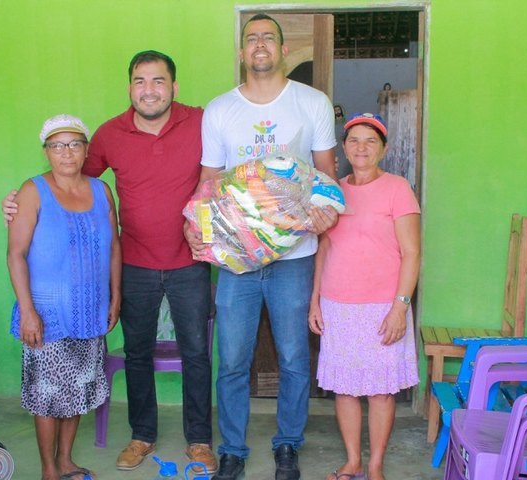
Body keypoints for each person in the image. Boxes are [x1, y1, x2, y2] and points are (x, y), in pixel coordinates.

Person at [3, 51, 217, 475]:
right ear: (129, 88)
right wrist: (19, 200)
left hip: (190, 261)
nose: (149, 89)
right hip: (134, 263)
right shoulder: (107, 134)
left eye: (158, 81)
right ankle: (142, 435)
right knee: (137, 354)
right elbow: (73, 177)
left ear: (174, 87)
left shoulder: (202, 122)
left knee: (197, 353)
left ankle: (199, 440)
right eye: (140, 81)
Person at [186, 13, 338, 480]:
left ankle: (287, 445)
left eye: (268, 38)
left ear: (283, 50)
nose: (259, 46)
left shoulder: (311, 103)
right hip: (237, 259)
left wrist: (325, 211)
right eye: (251, 39)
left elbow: (328, 179)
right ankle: (232, 448)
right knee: (231, 359)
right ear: (241, 52)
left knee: (294, 358)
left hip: (295, 258)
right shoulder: (220, 110)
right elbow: (209, 182)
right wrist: (195, 223)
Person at [7, 114, 121, 480]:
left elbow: (115, 247)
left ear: (86, 149)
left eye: (74, 144)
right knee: (48, 394)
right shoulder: (32, 190)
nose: (66, 152)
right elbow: (16, 254)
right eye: (57, 145)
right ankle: (48, 469)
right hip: (46, 313)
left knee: (78, 388)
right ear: (47, 152)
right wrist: (27, 311)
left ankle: (67, 460)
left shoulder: (101, 191)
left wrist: (115, 297)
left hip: (90, 310)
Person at [308, 113, 420, 480]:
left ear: (383, 149)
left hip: (383, 308)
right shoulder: (332, 192)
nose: (361, 147)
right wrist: (315, 300)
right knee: (345, 389)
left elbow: (412, 253)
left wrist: (400, 308)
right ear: (343, 148)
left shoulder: (397, 188)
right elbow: (323, 249)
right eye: (354, 140)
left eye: (370, 141)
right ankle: (353, 460)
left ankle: (375, 467)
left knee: (380, 392)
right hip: (338, 306)